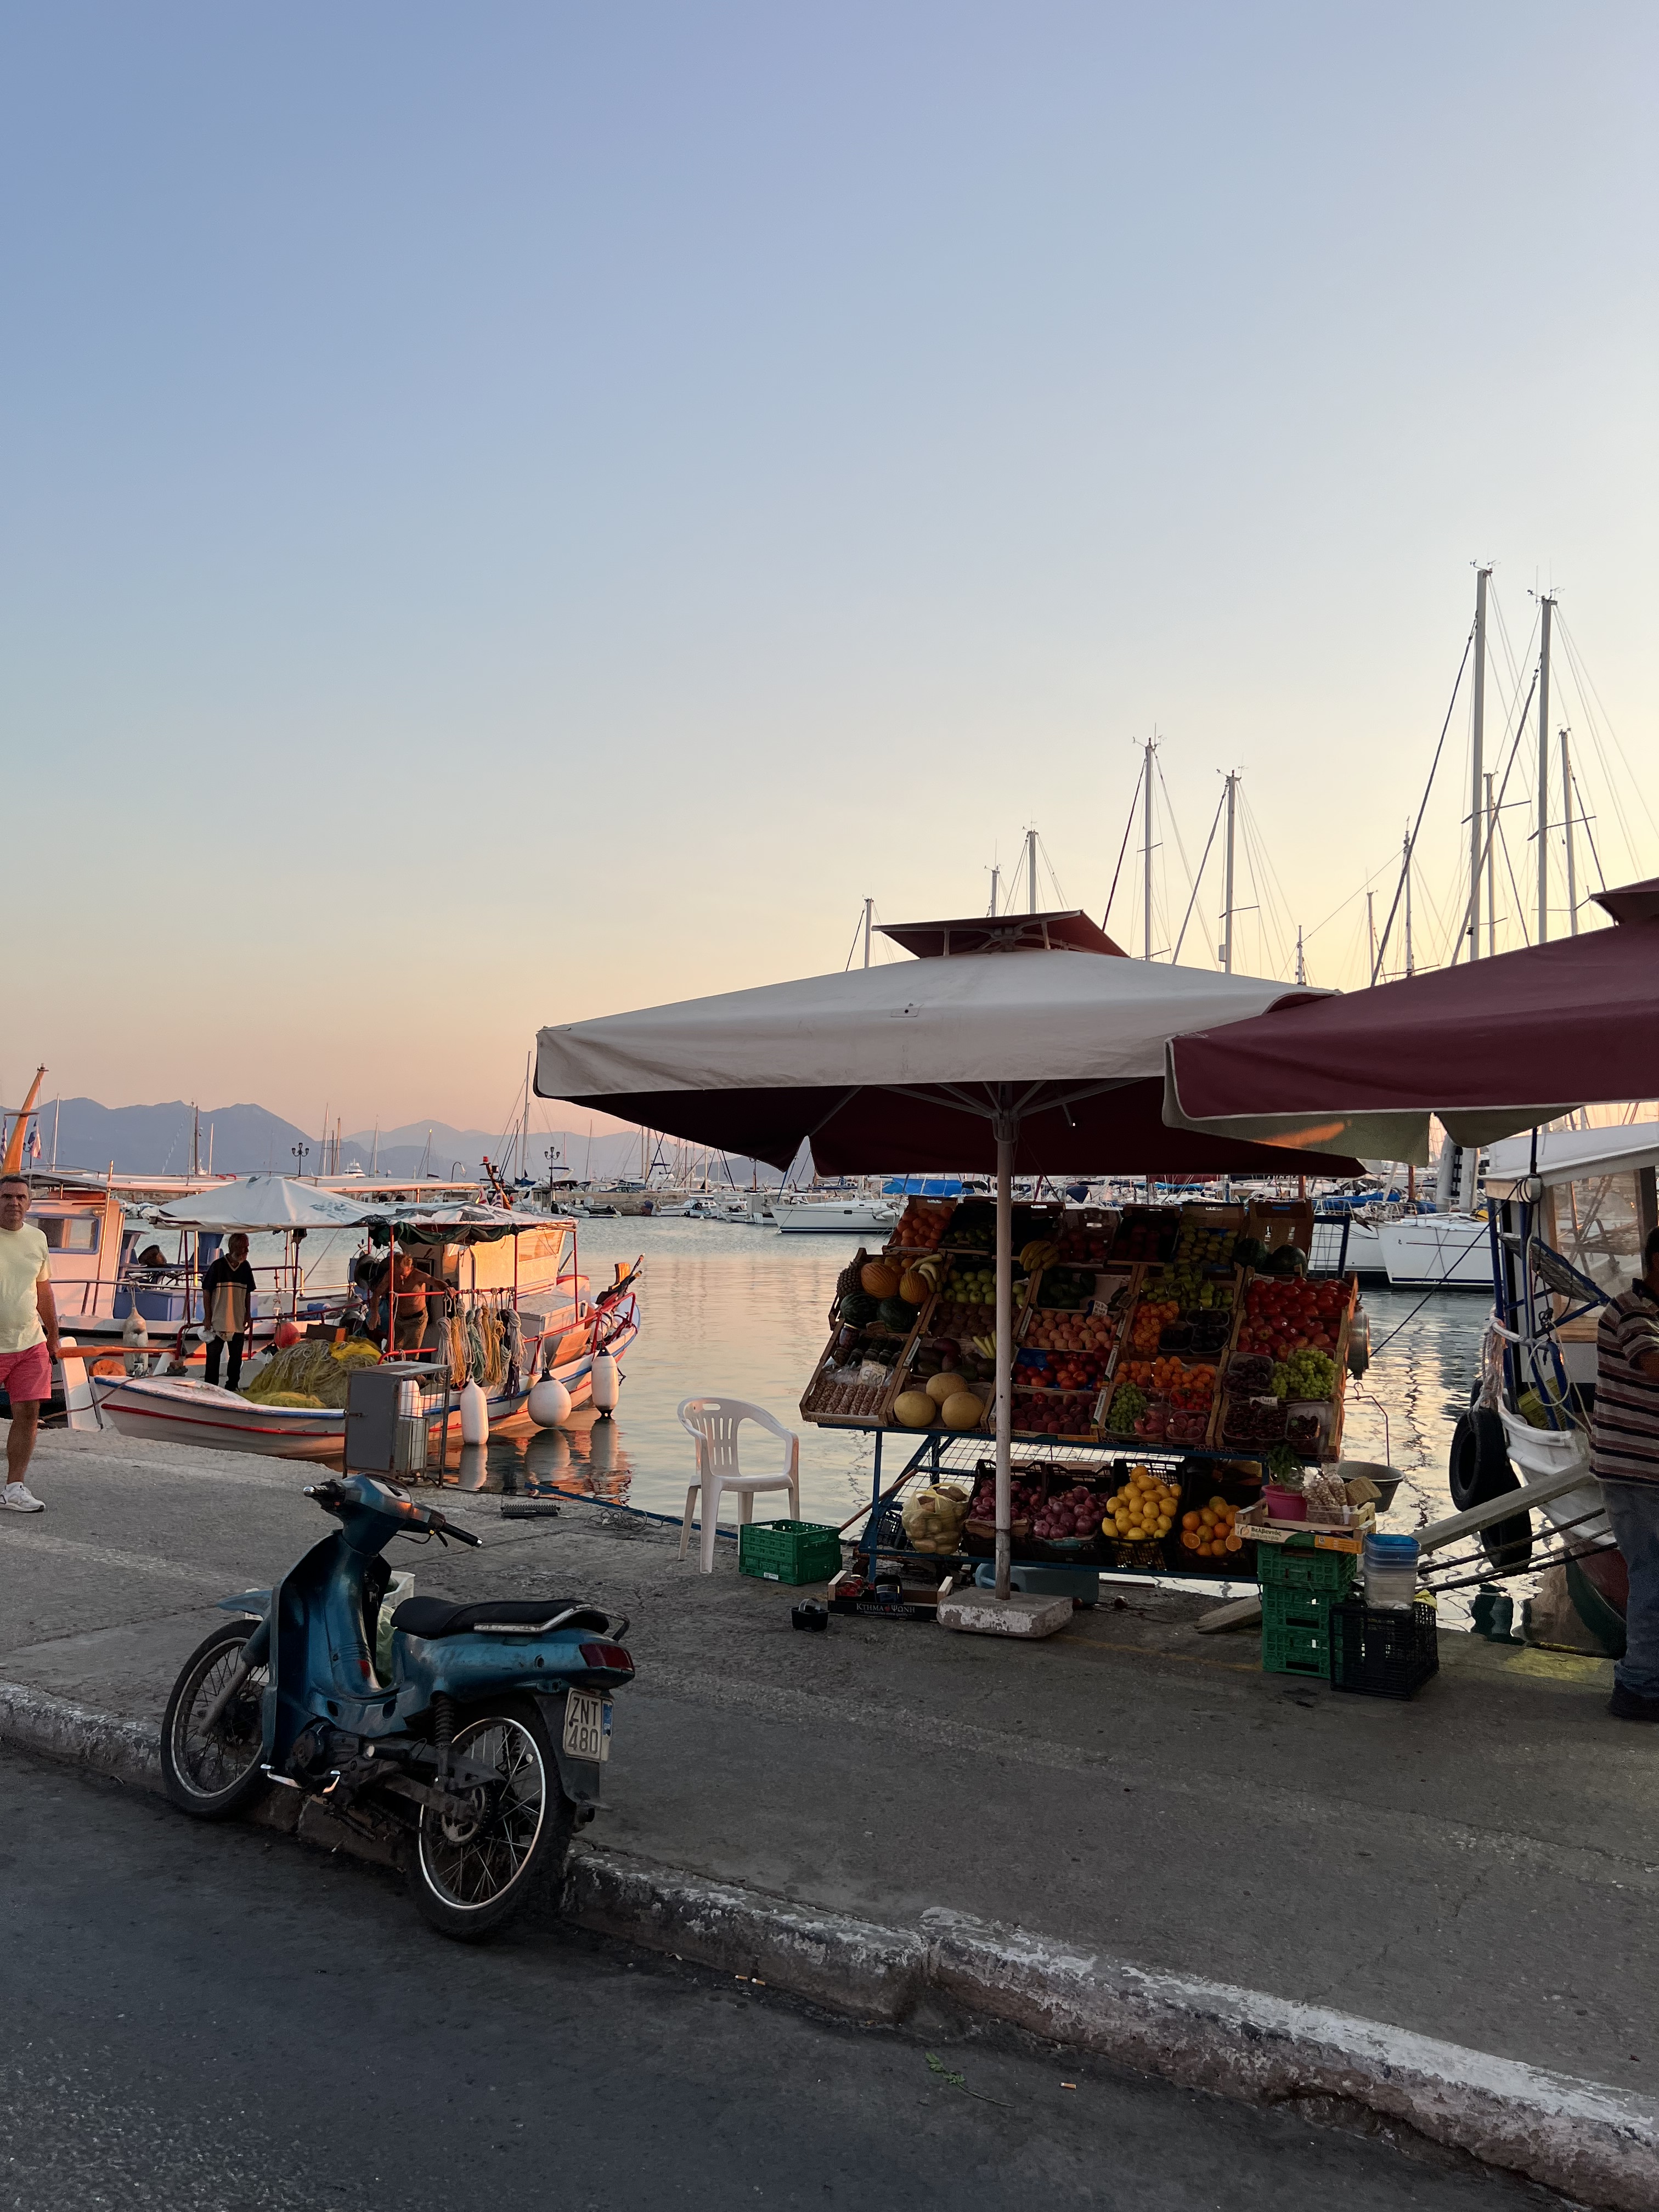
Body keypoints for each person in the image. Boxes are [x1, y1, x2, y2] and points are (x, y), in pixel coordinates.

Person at [1593, 1224, 1659, 1721]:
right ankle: (1638, 1686)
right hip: (1636, 1473)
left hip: (1643, 1469)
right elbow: (1653, 1364)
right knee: (1653, 1577)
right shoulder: (1633, 1311)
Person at [0, 1171, 61, 1513]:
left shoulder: (37, 1239)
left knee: (28, 1413)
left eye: (21, 1198)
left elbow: (43, 1291)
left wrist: (53, 1336)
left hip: (29, 1343)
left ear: (29, 1203)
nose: (14, 1203)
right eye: (7, 1197)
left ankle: (14, 1488)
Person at [201, 1232, 257, 1390]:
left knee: (236, 1358)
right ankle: (211, 1388)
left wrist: (248, 1314)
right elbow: (206, 1291)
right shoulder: (218, 1266)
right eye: (242, 1247)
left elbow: (248, 1292)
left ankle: (232, 1387)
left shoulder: (245, 1267)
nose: (245, 1250)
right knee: (213, 1357)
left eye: (247, 1247)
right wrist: (207, 1317)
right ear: (232, 1247)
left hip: (238, 1318)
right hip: (218, 1319)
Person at [370, 1248, 447, 1352]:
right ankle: (396, 1366)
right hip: (398, 1318)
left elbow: (434, 1281)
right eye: (397, 1275)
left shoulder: (418, 1275)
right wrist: (375, 1313)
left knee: (410, 1353)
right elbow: (376, 1294)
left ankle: (408, 1364)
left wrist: (447, 1288)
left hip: (417, 1319)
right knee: (392, 1350)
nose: (401, 1278)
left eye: (404, 1275)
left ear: (411, 1268)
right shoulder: (390, 1276)